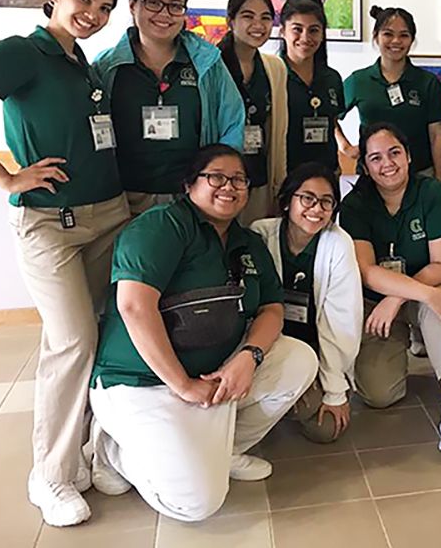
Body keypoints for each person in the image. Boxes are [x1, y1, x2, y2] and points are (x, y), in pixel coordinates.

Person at [0, 0, 129, 527]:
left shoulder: (80, 61)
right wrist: (7, 178)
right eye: (85, 0)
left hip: (108, 217)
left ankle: (90, 454)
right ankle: (52, 475)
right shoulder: (20, 51)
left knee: (105, 336)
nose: (94, 15)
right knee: (72, 341)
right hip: (49, 224)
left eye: (106, 8)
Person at [88, 145, 318, 522]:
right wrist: (181, 384)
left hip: (211, 377)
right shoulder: (163, 226)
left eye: (239, 179)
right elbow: (133, 306)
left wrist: (249, 357)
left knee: (298, 359)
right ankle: (114, 449)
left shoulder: (248, 243)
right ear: (189, 184)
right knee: (196, 503)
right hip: (141, 381)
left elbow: (272, 309)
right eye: (216, 177)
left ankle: (222, 451)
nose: (229, 186)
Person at [338, 122, 441, 451]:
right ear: (366, 167)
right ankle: (406, 339)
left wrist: (399, 296)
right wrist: (397, 297)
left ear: (409, 156)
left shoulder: (432, 193)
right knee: (379, 394)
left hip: (425, 288)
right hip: (377, 302)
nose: (388, 164)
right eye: (376, 158)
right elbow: (367, 272)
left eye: (395, 153)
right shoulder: (355, 204)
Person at [93, 0, 244, 215]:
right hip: (122, 200)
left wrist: (216, 186)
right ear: (133, 5)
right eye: (153, 3)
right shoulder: (108, 67)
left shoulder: (207, 64)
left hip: (192, 199)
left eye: (175, 6)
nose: (165, 14)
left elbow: (232, 122)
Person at [251, 163, 363, 442]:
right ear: (288, 201)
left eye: (326, 202)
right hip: (267, 344)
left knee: (323, 430)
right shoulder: (261, 235)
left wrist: (335, 391)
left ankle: (279, 399)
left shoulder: (337, 244)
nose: (316, 209)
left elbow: (341, 322)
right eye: (307, 198)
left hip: (314, 347)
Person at [342, 6, 441, 179]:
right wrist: (346, 147)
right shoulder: (358, 80)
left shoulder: (428, 82)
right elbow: (329, 114)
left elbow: (437, 136)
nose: (396, 41)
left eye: (404, 35)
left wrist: (440, 181)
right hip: (373, 175)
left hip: (419, 174)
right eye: (388, 34)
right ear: (376, 37)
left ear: (412, 40)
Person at [217, 0, 287, 225]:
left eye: (265, 17)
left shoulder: (274, 68)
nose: (258, 24)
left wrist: (279, 184)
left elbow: (278, 133)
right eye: (248, 16)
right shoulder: (211, 65)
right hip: (218, 181)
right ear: (230, 21)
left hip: (258, 177)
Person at [279, 0, 346, 177]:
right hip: (286, 176)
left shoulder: (332, 78)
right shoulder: (272, 74)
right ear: (282, 31)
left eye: (314, 30)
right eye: (297, 30)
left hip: (326, 174)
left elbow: (332, 121)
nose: (305, 37)